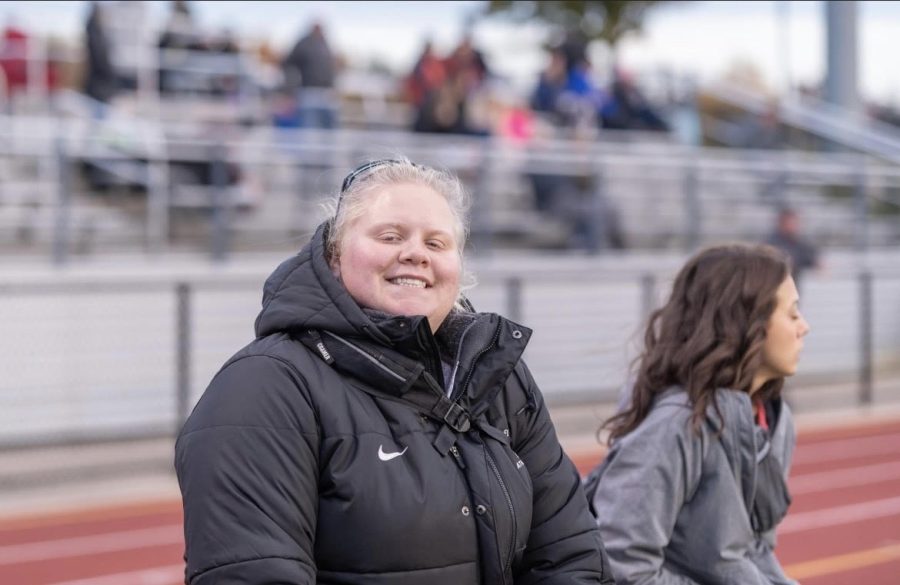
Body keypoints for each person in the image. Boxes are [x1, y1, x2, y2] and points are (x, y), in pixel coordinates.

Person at [175, 157, 615, 584]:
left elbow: (571, 554)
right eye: (389, 236)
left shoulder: (499, 380)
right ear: (333, 256)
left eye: (436, 243)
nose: (415, 254)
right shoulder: (265, 388)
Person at [585, 243, 810, 584]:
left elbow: (754, 552)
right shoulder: (677, 425)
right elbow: (623, 566)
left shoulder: (773, 419)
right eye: (792, 313)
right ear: (747, 321)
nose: (803, 327)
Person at [767, 207, 821, 288]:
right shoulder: (771, 242)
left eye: (794, 222)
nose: (793, 225)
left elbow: (813, 260)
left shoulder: (800, 243)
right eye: (789, 222)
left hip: (793, 288)